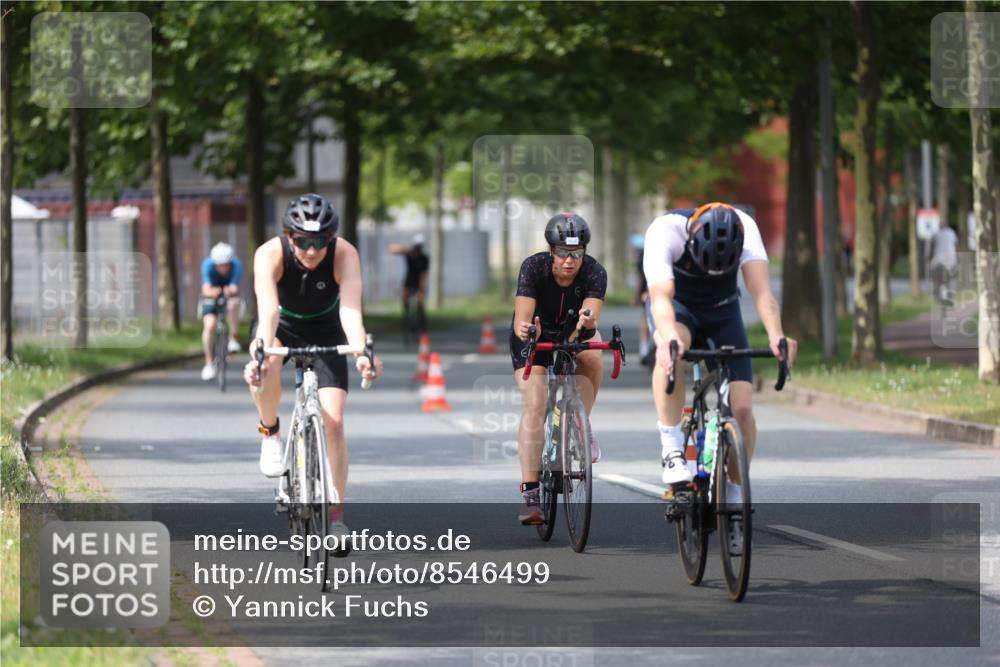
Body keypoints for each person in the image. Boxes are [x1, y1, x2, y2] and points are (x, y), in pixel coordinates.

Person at [643, 203, 797, 548]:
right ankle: (671, 450)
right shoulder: (664, 232)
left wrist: (777, 335)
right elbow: (660, 299)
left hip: (723, 312)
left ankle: (734, 497)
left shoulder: (746, 228)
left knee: (742, 408)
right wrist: (667, 337)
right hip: (678, 310)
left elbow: (762, 294)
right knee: (672, 351)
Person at [243, 194, 383, 545]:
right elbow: (268, 311)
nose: (311, 250)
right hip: (281, 325)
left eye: (320, 241)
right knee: (269, 361)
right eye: (303, 242)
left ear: (330, 238)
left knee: (333, 423)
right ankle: (270, 432)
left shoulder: (344, 253)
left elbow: (351, 312)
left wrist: (361, 352)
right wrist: (260, 353)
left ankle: (335, 518)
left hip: (327, 329)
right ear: (289, 238)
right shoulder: (269, 254)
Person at [510, 212, 608, 525]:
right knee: (536, 404)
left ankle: (581, 423)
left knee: (592, 357)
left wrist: (587, 324)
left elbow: (590, 319)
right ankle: (530, 492)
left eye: (576, 253)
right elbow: (520, 322)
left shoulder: (594, 272)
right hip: (534, 335)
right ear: (551, 251)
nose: (570, 261)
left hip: (572, 330)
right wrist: (528, 332)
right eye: (563, 253)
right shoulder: (533, 267)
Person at [200, 242, 243, 381]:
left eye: (226, 265)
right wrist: (213, 292)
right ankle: (208, 362)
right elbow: (205, 289)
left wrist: (228, 291)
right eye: (220, 265)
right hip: (211, 294)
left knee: (233, 304)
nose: (223, 268)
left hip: (228, 293)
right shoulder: (207, 266)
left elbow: (234, 288)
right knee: (210, 325)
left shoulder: (236, 265)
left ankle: (233, 338)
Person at [386, 234, 429, 338]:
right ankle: (407, 319)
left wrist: (422, 290)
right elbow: (390, 249)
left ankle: (422, 327)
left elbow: (424, 275)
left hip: (418, 284)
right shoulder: (409, 254)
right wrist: (405, 249)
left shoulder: (424, 258)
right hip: (408, 282)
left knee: (420, 303)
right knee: (405, 300)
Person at [631, 233, 653, 366]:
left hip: (649, 290)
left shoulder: (643, 256)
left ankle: (645, 349)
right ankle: (646, 348)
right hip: (651, 290)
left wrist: (637, 296)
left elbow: (640, 278)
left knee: (646, 318)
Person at [929, 222, 959, 307]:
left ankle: (937, 293)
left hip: (938, 260)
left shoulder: (936, 234)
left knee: (935, 278)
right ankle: (950, 296)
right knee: (951, 278)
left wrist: (929, 259)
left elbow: (932, 247)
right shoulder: (952, 232)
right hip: (951, 260)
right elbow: (956, 245)